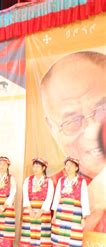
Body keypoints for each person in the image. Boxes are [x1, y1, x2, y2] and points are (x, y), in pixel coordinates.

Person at [40, 51, 105, 233]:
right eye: (72, 121)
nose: (93, 133)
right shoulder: (50, 187)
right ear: (52, 128)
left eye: (103, 108)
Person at [50, 157, 90, 247]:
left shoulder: (81, 181)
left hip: (75, 213)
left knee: (72, 236)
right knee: (60, 235)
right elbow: (56, 197)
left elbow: (84, 199)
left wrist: (83, 217)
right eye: (67, 165)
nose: (68, 167)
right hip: (61, 212)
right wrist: (54, 214)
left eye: (71, 165)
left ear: (76, 168)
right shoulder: (61, 180)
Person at [18, 158, 54, 247]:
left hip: (43, 212)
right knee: (28, 234)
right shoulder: (28, 180)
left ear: (43, 168)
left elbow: (49, 197)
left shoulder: (49, 181)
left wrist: (40, 211)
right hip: (30, 210)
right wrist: (30, 210)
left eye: (38, 166)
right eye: (34, 166)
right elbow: (26, 195)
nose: (35, 168)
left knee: (41, 235)